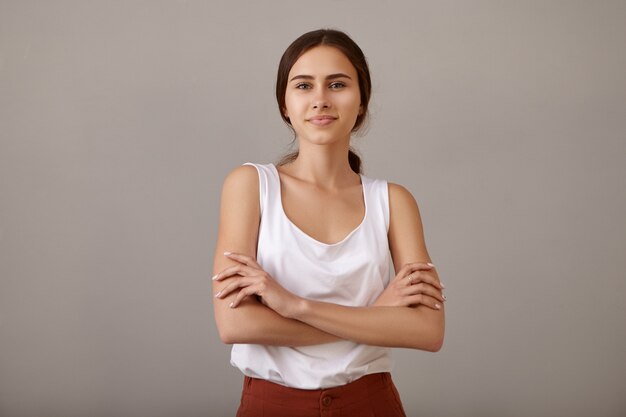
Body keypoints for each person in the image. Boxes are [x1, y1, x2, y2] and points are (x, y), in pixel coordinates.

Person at [212, 28, 445, 417]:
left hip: (371, 403)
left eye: (337, 84)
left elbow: (428, 331)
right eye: (304, 85)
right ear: (285, 104)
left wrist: (293, 305)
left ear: (361, 102)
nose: (320, 100)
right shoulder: (251, 186)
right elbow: (234, 324)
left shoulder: (393, 201)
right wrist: (374, 317)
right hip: (271, 405)